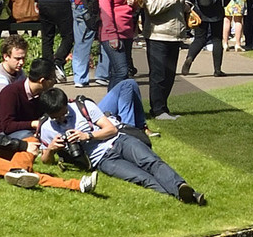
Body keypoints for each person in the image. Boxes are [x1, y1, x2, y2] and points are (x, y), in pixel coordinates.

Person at [38, 79, 207, 204]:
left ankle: (182, 187)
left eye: (64, 114)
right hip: (102, 160)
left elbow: (112, 129)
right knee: (140, 177)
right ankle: (183, 196)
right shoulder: (46, 127)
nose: (62, 119)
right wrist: (51, 149)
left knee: (151, 162)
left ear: (67, 104)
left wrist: (87, 136)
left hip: (119, 141)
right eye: (57, 118)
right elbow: (46, 162)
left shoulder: (82, 107)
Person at [142, 0, 188, 120]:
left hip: (175, 34)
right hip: (157, 34)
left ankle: (164, 108)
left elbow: (180, 3)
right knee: (158, 74)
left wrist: (186, 5)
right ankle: (157, 110)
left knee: (169, 75)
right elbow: (152, 8)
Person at [97, 0, 141, 88]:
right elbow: (105, 8)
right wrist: (111, 34)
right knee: (121, 71)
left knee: (120, 72)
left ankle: (116, 106)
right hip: (112, 32)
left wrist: (132, 3)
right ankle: (108, 106)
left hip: (126, 31)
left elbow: (131, 9)